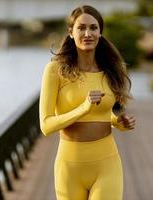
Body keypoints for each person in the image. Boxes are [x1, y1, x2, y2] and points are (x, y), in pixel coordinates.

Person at [39, 5, 135, 200]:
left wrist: (118, 122)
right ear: (71, 33)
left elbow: (101, 114)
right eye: (81, 28)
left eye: (93, 28)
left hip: (107, 163)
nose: (87, 33)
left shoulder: (109, 69)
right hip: (69, 167)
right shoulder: (55, 70)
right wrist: (83, 108)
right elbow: (46, 125)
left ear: (100, 33)